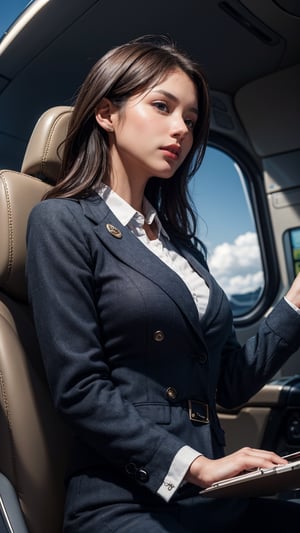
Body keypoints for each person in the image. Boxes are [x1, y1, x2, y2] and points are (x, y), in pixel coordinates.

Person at [26, 35, 300, 532]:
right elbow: (80, 389)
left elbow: (230, 383)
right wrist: (197, 466)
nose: (181, 130)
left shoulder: (182, 246)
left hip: (211, 495)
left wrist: (296, 299)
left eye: (191, 120)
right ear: (107, 114)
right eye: (162, 106)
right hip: (125, 500)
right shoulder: (60, 221)